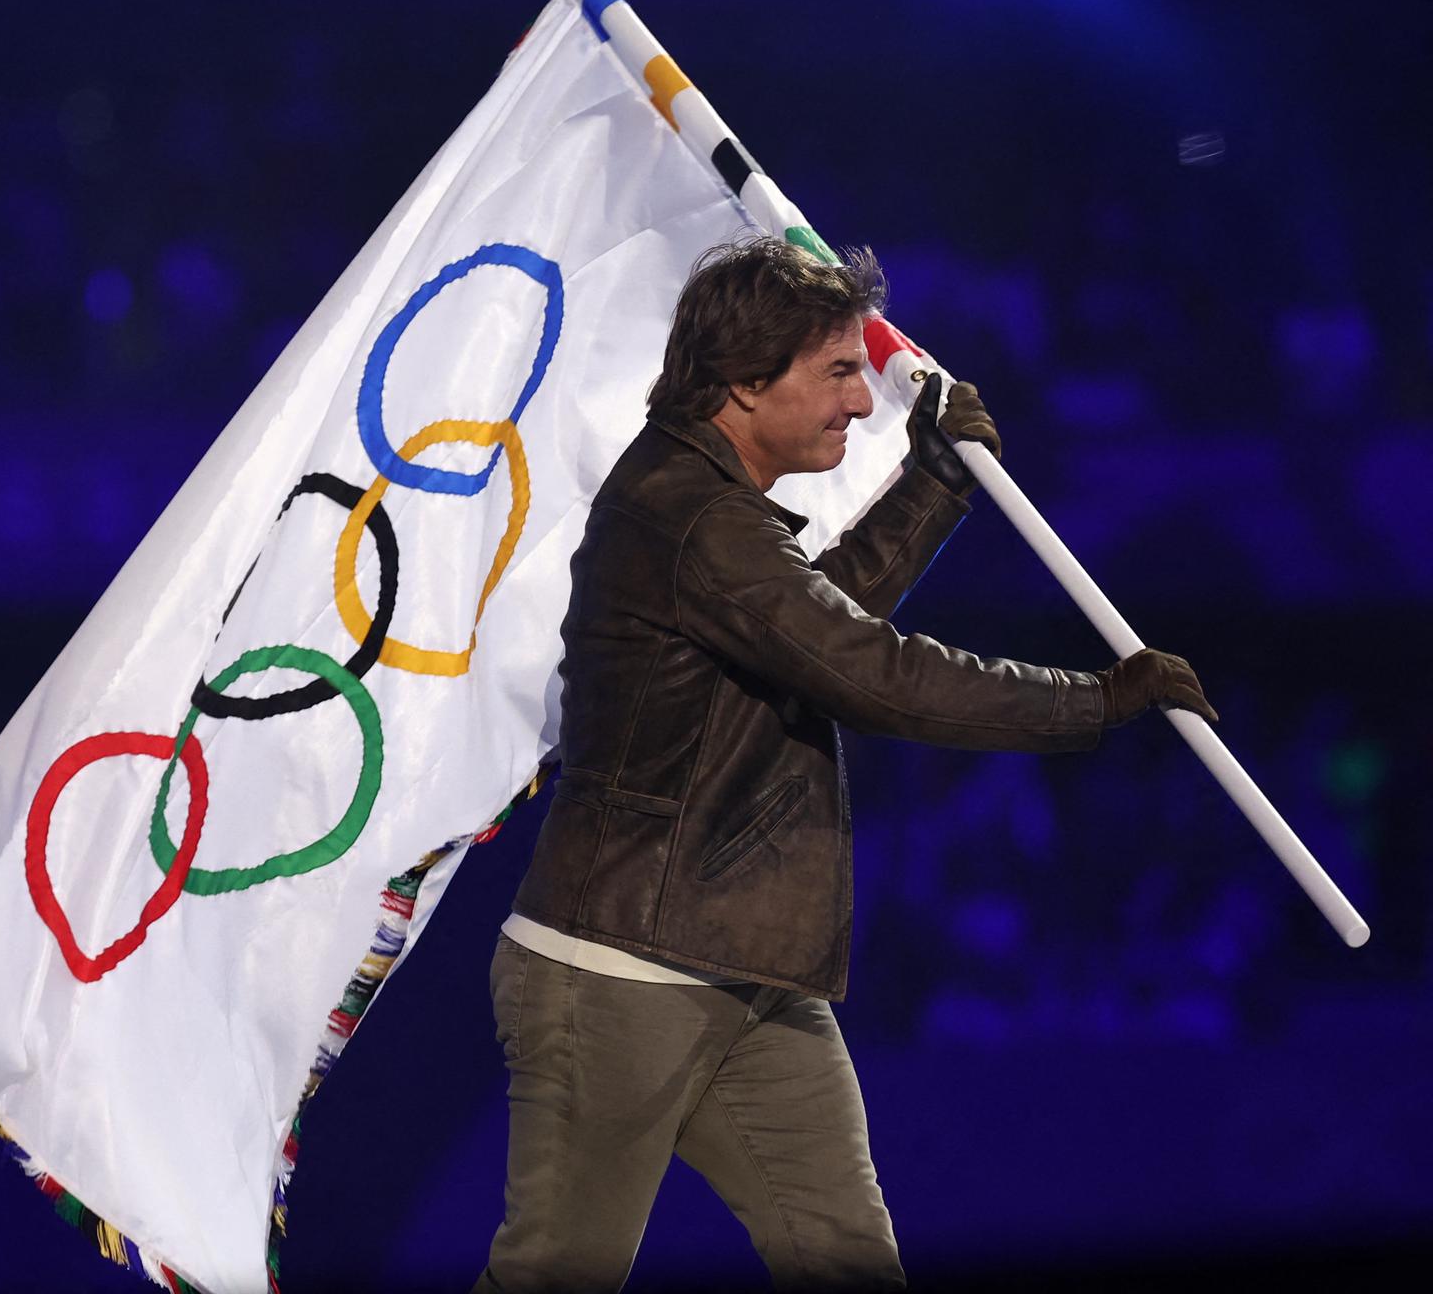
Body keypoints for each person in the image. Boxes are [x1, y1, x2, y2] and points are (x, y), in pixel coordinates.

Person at [476, 240, 1216, 1292]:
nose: (865, 401)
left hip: (744, 973)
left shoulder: (704, 508)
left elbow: (820, 629)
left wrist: (936, 482)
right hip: (617, 975)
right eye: (836, 370)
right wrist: (1092, 701)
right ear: (744, 380)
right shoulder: (693, 519)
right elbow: (875, 676)